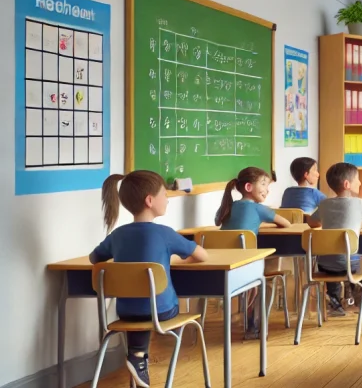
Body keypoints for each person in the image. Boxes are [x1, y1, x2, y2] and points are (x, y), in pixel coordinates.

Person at [91, 171, 209, 387]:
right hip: (162, 313)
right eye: (165, 194)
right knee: (156, 305)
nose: (168, 199)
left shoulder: (118, 234)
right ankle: (140, 358)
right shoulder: (165, 233)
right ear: (149, 200)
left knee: (140, 308)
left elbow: (94, 258)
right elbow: (202, 255)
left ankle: (137, 356)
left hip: (125, 312)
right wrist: (172, 261)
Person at [215, 166, 290, 337]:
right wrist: (261, 223)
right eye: (264, 184)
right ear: (249, 188)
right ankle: (253, 326)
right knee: (266, 281)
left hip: (222, 268)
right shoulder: (258, 209)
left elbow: (218, 221)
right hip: (244, 269)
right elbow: (286, 224)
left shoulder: (228, 207)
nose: (267, 190)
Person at [308, 162, 362, 317]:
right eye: (357, 179)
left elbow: (311, 222)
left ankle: (335, 301)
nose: (360, 182)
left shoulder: (324, 204)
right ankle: (354, 295)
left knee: (332, 264)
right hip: (349, 264)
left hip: (323, 264)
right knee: (351, 259)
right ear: (347, 184)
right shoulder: (360, 204)